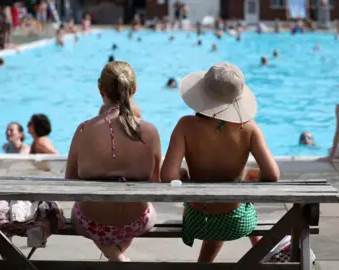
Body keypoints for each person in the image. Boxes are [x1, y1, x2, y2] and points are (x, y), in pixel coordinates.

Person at [160, 63, 280, 263]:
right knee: (242, 199)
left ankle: (206, 263)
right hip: (237, 222)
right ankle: (263, 253)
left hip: (197, 221)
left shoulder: (185, 125)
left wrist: (182, 173)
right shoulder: (248, 128)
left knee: (208, 205)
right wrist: (253, 176)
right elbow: (272, 175)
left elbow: (167, 177)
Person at [65, 61, 161, 262]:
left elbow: (70, 181)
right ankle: (117, 256)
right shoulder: (151, 132)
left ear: (101, 89)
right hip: (136, 221)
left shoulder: (83, 130)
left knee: (83, 215)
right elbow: (156, 183)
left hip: (91, 222)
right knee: (147, 212)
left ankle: (115, 257)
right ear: (134, 89)